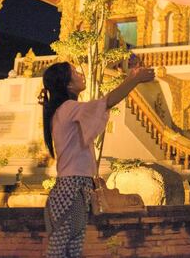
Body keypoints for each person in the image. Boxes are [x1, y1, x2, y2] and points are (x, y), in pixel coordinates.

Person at [40, 60, 154, 258]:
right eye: (74, 72)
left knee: (71, 248)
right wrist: (133, 80)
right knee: (60, 249)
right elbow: (106, 102)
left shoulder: (66, 110)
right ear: (67, 84)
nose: (80, 74)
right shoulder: (68, 108)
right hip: (71, 189)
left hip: (77, 187)